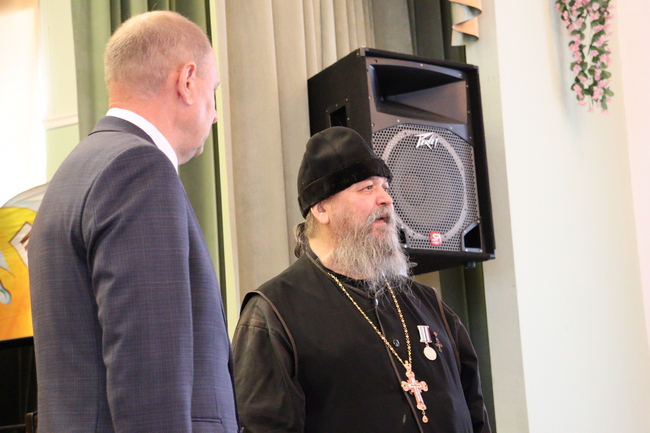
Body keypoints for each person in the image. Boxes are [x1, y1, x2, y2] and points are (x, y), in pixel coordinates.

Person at [28, 11, 239, 432]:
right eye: (213, 92)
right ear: (187, 81)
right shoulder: (139, 169)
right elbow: (149, 374)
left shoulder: (74, 173)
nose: (215, 114)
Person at [233, 126, 491, 433]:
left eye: (385, 187)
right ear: (322, 208)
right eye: (367, 188)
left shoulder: (431, 306)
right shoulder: (275, 314)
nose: (386, 199)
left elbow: (476, 416)